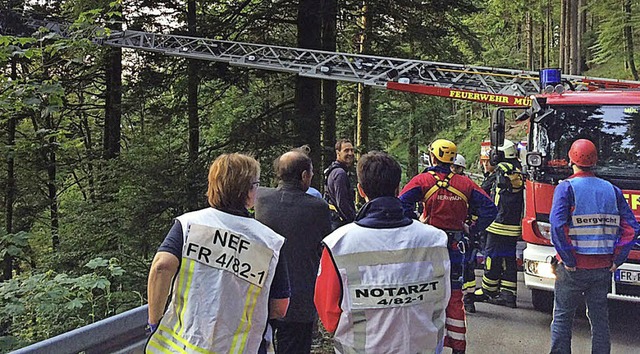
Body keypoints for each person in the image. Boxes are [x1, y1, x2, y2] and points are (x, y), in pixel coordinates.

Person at [145, 153, 290, 354]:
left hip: (184, 347)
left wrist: (155, 320)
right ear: (248, 191)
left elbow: (162, 266)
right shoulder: (269, 242)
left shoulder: (189, 225)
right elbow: (279, 308)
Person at [315, 151, 451, 353]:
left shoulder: (338, 244)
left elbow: (328, 311)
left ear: (360, 191)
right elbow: (443, 297)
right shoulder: (436, 240)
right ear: (398, 189)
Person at [399, 139, 497, 354]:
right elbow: (490, 209)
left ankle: (426, 344)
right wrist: (472, 227)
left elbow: (401, 203)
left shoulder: (422, 180)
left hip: (428, 247)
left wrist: (415, 222)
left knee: (425, 294)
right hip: (455, 247)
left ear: (433, 157)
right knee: (453, 296)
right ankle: (458, 347)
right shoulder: (465, 184)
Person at [549, 139, 639, 354]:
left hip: (573, 268)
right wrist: (617, 259)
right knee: (600, 320)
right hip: (603, 268)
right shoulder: (613, 190)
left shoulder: (566, 188)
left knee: (562, 318)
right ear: (595, 160)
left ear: (571, 159)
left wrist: (568, 259)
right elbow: (632, 228)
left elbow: (557, 226)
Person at [254, 149, 332, 354]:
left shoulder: (260, 199)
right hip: (300, 298)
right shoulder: (318, 208)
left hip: (263, 295)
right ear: (304, 176)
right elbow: (323, 247)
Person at [472, 139, 525, 309]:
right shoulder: (517, 168)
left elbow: (484, 188)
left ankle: (488, 290)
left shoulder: (502, 169)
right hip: (512, 225)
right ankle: (508, 295)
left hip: (498, 224)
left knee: (492, 257)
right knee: (508, 259)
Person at [324, 139, 356, 230]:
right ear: (338, 153)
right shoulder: (339, 173)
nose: (350, 153)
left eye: (352, 150)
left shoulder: (334, 171)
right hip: (340, 225)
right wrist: (354, 221)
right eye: (346, 150)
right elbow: (342, 202)